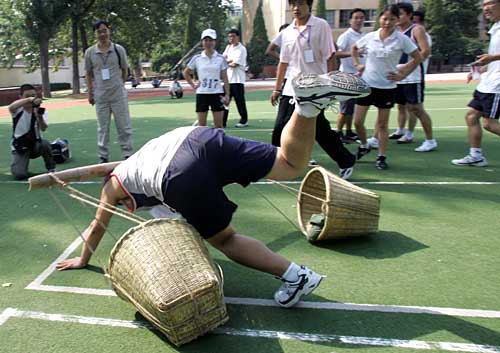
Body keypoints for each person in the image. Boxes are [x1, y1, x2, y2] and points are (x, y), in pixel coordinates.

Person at [55, 71, 370, 308]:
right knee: (289, 164)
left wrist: (83, 258)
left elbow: (98, 224)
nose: (125, 208)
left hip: (177, 172)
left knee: (226, 239)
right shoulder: (135, 162)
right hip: (198, 138)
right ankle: (307, 107)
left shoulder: (112, 187)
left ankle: (297, 276)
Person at [270, 0, 356, 180]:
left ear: (309, 5)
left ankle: (346, 161)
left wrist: (331, 85)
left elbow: (330, 56)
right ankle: (275, 164)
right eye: (292, 4)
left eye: (300, 3)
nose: (296, 8)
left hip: (315, 88)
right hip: (292, 89)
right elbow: (283, 62)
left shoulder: (321, 26)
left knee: (319, 130)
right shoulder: (287, 32)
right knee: (280, 126)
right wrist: (277, 89)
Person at [352, 4, 422, 170]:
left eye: (392, 19)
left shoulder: (401, 39)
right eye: (384, 18)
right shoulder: (370, 37)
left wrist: (402, 75)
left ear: (397, 20)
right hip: (367, 85)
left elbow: (417, 57)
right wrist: (358, 64)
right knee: (357, 122)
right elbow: (354, 48)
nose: (387, 22)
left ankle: (381, 156)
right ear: (379, 19)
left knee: (382, 125)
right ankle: (364, 145)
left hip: (387, 87)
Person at [452, 0, 500, 167]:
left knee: (490, 124)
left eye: (490, 3)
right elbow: (496, 60)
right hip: (488, 83)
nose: (486, 7)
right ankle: (476, 156)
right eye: (484, 4)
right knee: (471, 116)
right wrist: (481, 69)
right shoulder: (495, 28)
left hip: (497, 86)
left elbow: (496, 58)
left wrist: (492, 58)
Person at [386, 3, 437, 152]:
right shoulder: (394, 32)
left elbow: (425, 51)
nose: (397, 18)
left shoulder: (416, 30)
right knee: (396, 106)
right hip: (397, 76)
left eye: (400, 14)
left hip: (412, 76)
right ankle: (396, 133)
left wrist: (406, 67)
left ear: (409, 15)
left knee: (416, 108)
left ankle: (430, 140)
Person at [85, 19, 133, 164]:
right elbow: (88, 73)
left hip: (118, 94)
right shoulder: (90, 52)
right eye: (99, 31)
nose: (102, 34)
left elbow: (124, 69)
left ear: (109, 31)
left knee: (124, 126)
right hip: (100, 96)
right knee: (103, 128)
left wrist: (120, 84)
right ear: (95, 34)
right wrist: (90, 92)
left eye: (105, 30)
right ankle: (103, 156)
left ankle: (127, 154)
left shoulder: (119, 49)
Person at [183, 29, 230, 129]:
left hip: (217, 93)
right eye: (205, 40)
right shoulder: (197, 58)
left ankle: (219, 144)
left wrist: (227, 95)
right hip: (202, 93)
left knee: (219, 126)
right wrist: (193, 85)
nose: (208, 43)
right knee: (202, 127)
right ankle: (203, 145)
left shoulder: (221, 58)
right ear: (202, 42)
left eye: (211, 40)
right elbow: (186, 72)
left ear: (215, 42)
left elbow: (225, 78)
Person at [9, 84, 56, 180]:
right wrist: (29, 100)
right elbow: (11, 107)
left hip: (35, 145)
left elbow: (43, 128)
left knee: (45, 144)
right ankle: (19, 167)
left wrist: (39, 117)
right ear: (20, 97)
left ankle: (51, 168)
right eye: (27, 96)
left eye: (33, 96)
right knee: (20, 175)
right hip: (20, 147)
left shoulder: (40, 111)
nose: (32, 98)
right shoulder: (18, 110)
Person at [335, 8, 367, 144]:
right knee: (345, 108)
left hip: (359, 76)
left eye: (361, 17)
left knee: (351, 107)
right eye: (356, 17)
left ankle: (349, 131)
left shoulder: (365, 35)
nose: (359, 20)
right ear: (350, 20)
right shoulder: (346, 36)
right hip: (346, 76)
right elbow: (336, 53)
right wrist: (354, 53)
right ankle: (338, 133)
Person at [222, 29, 250, 128]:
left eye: (233, 36)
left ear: (238, 37)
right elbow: (223, 59)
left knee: (239, 101)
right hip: (228, 80)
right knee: (224, 100)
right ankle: (222, 121)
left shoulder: (241, 49)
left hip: (238, 80)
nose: (231, 38)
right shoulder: (228, 47)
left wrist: (227, 62)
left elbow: (235, 64)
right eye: (230, 36)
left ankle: (244, 120)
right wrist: (227, 61)